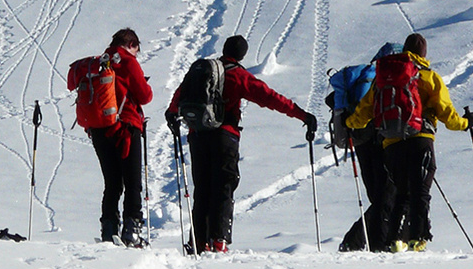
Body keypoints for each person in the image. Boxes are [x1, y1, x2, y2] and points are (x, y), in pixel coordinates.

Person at [165, 35, 317, 253]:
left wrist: (172, 113)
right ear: (242, 55)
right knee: (223, 187)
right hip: (224, 137)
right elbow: (270, 98)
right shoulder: (238, 76)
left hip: (197, 136)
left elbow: (180, 95)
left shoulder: (204, 71)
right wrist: (302, 115)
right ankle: (219, 241)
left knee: (203, 189)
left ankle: (198, 242)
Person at [345, 32, 473, 252]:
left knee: (401, 192)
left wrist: (350, 122)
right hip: (421, 139)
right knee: (420, 191)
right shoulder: (428, 77)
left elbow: (364, 111)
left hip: (391, 144)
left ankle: (395, 240)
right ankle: (417, 238)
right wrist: (465, 123)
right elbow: (447, 114)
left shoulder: (383, 77)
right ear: (424, 53)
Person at [87, 28, 153, 247]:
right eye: (137, 50)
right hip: (125, 128)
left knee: (112, 183)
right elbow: (145, 95)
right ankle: (132, 232)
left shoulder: (100, 62)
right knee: (133, 182)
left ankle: (108, 229)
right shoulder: (127, 61)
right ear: (132, 44)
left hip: (99, 129)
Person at [334, 42, 402, 253]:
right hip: (380, 139)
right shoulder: (384, 78)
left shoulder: (362, 76)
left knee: (378, 196)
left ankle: (365, 241)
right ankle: (370, 243)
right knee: (388, 195)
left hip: (361, 141)